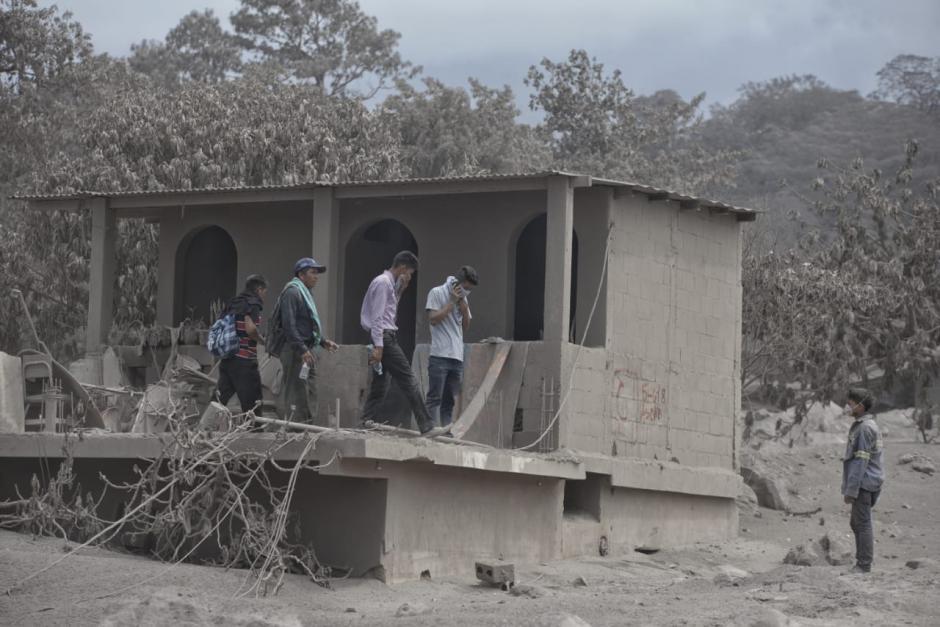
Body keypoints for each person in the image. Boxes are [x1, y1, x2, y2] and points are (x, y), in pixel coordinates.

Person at [360, 251, 441, 436]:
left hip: (384, 336)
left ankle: (365, 421)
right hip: (384, 338)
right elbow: (378, 317)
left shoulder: (388, 284)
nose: (410, 276)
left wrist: (401, 290)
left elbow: (389, 310)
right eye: (410, 272)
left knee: (381, 383)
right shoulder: (382, 282)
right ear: (403, 268)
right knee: (409, 379)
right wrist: (379, 346)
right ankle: (426, 425)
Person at [267, 258, 338, 424]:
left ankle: (307, 425)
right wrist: (302, 349)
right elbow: (289, 325)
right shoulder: (292, 292)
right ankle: (295, 428)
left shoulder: (305, 294)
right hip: (294, 350)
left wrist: (322, 341)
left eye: (317, 273)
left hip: (306, 349)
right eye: (313, 272)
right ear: (301, 274)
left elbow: (305, 325)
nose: (316, 276)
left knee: (309, 389)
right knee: (296, 389)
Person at [425, 266, 479, 435]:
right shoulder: (436, 292)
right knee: (435, 397)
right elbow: (433, 319)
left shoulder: (464, 299)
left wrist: (463, 307)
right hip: (440, 355)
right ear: (458, 284)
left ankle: (447, 431)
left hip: (457, 357)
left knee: (449, 400)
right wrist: (451, 303)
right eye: (467, 288)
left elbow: (466, 326)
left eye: (470, 290)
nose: (468, 291)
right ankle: (430, 429)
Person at [841, 387, 884, 574]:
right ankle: (862, 561)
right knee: (856, 522)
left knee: (862, 523)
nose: (848, 407)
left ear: (860, 406)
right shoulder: (865, 425)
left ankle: (863, 564)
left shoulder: (865, 428)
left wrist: (851, 490)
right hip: (869, 481)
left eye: (850, 404)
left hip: (864, 483)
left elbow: (860, 462)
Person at [217, 274, 267, 417]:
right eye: (265, 291)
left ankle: (202, 428)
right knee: (253, 402)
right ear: (259, 289)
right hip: (244, 361)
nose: (265, 295)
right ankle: (255, 433)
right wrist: (262, 341)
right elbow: (250, 329)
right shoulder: (253, 303)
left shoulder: (232, 303)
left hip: (227, 359)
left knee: (219, 398)